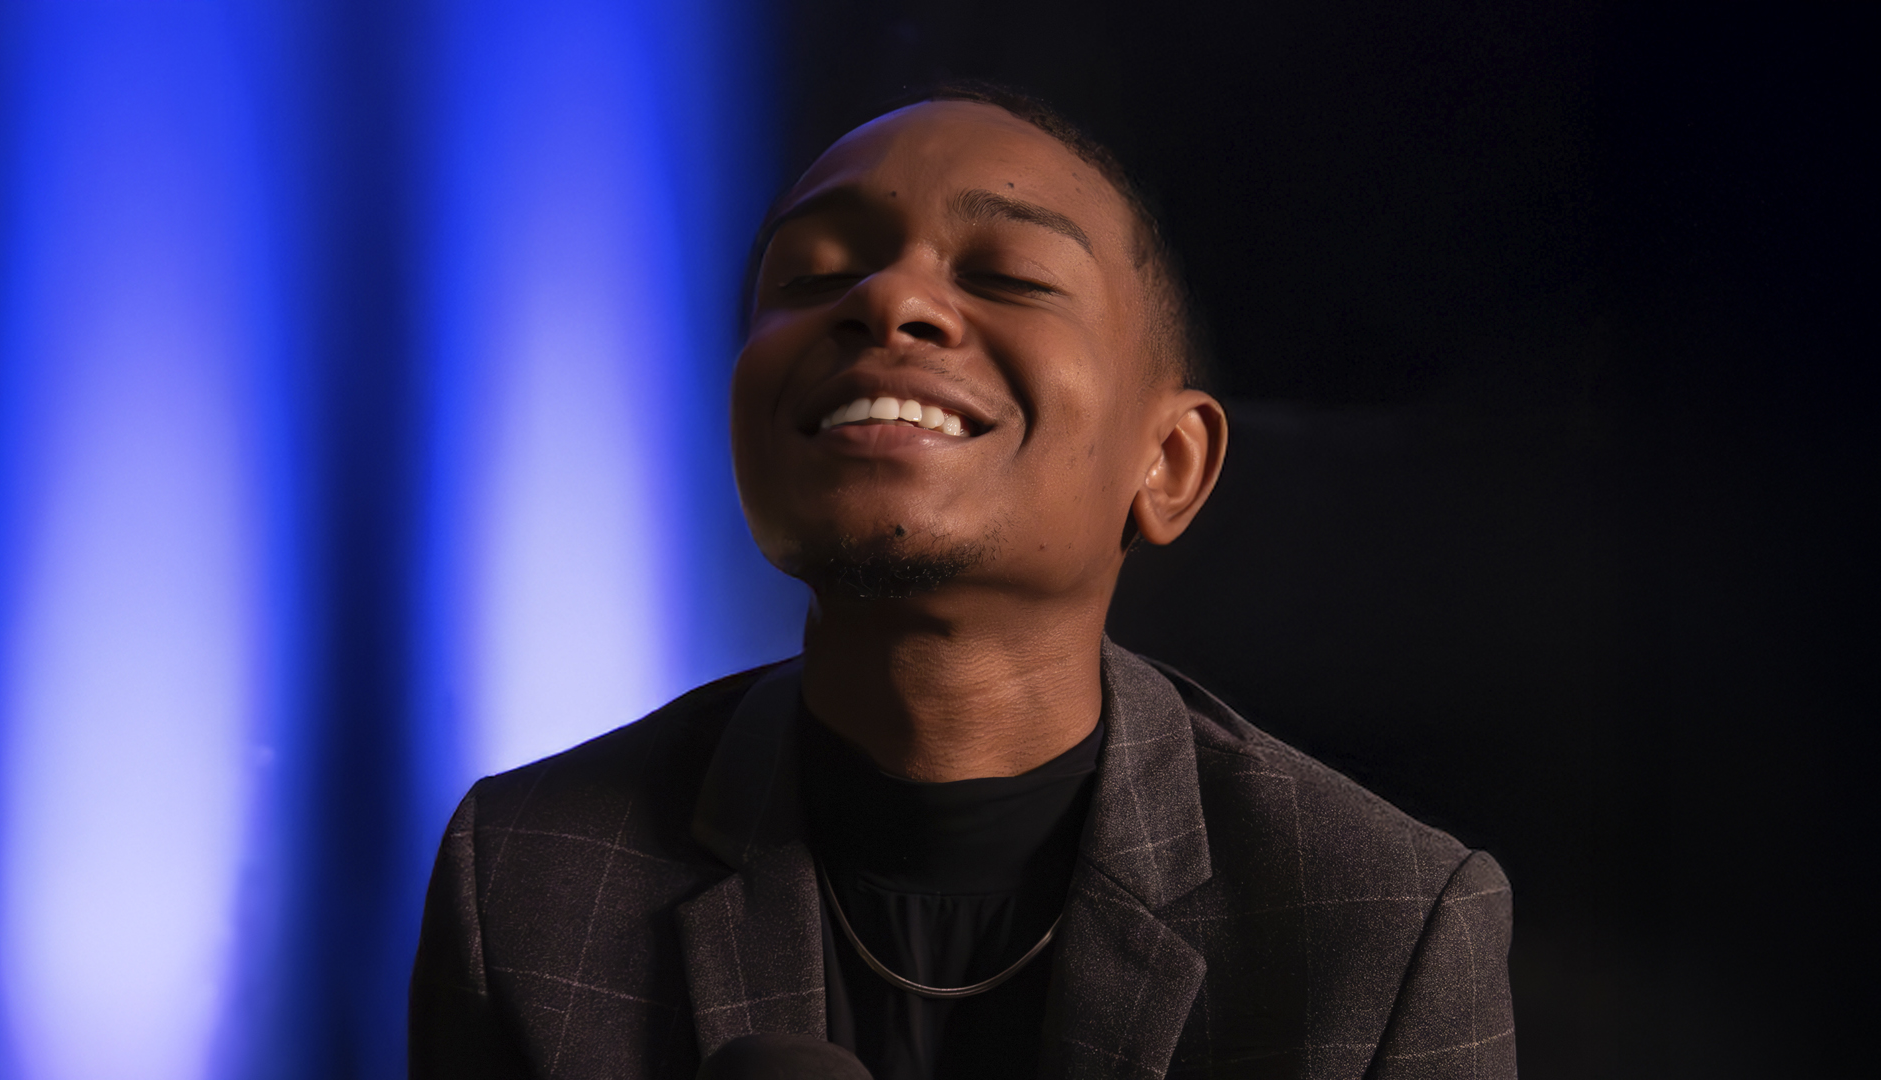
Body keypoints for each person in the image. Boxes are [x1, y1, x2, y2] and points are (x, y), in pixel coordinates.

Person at [410, 83, 1515, 1080]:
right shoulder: (524, 874)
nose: (888, 300)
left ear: (1169, 465)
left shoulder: (1383, 926)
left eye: (1009, 276)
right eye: (816, 273)